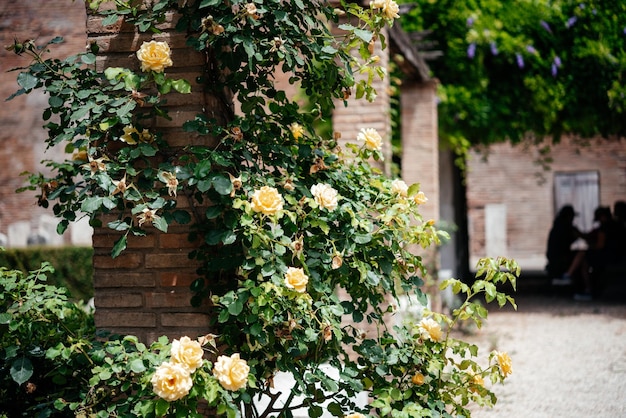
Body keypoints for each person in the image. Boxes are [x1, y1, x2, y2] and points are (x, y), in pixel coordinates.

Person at [546, 205, 584, 285]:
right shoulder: (566, 227)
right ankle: (567, 275)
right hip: (560, 257)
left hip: (555, 256)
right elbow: (581, 236)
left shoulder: (557, 226)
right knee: (582, 254)